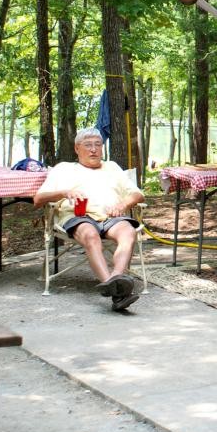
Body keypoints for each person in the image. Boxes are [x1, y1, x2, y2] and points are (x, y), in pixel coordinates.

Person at [33, 128, 144, 311]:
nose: (94, 149)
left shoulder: (112, 167)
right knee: (91, 236)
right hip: (78, 216)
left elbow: (138, 195)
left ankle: (116, 279)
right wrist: (63, 192)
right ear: (77, 149)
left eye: (98, 145)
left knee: (128, 232)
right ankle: (117, 290)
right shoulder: (64, 169)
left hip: (111, 217)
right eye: (88, 145)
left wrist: (123, 205)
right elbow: (38, 200)